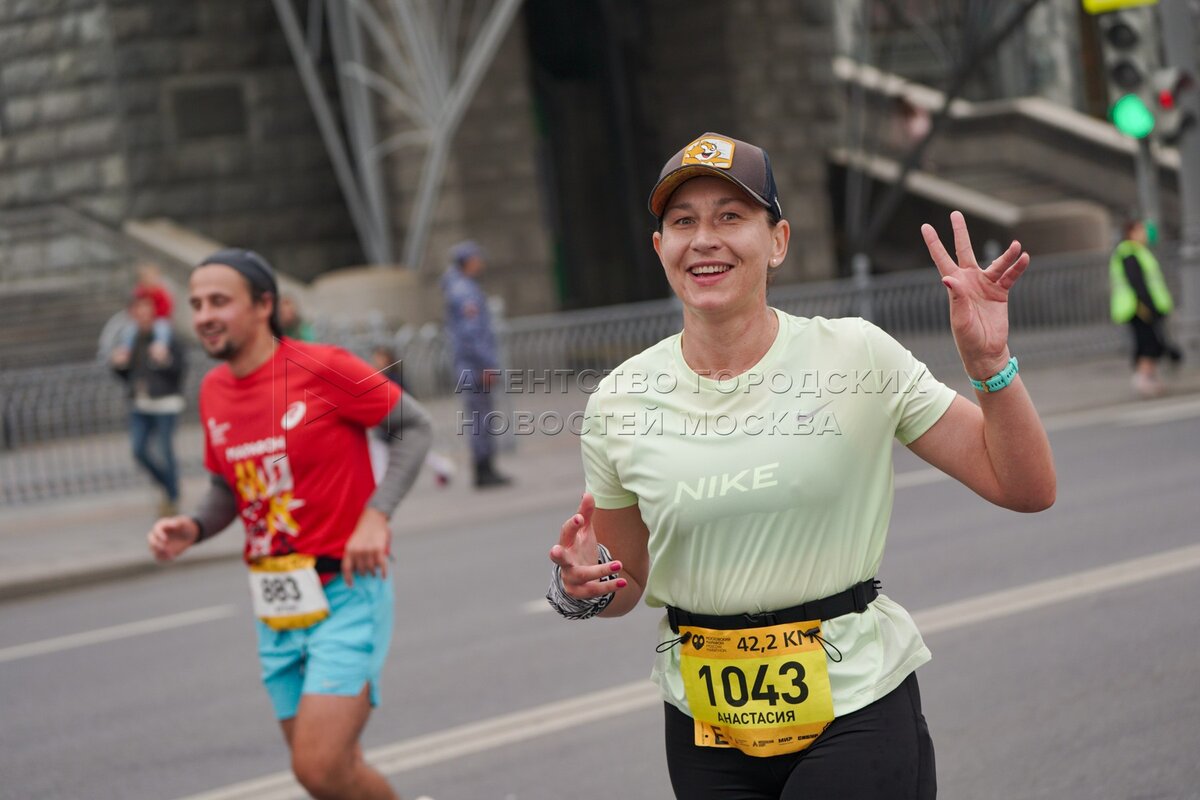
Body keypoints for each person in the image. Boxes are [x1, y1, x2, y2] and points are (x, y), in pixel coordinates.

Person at [545, 133, 1056, 799]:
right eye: (684, 222)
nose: (704, 239)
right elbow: (626, 581)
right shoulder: (620, 400)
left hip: (856, 706)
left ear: (778, 241)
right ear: (660, 248)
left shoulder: (856, 356)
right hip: (707, 730)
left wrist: (990, 366)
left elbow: (1025, 486)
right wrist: (582, 589)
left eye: (731, 216)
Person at [146, 249, 434, 800]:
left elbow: (414, 427)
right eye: (196, 304)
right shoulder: (213, 391)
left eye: (219, 301)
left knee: (317, 768)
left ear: (264, 305)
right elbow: (227, 485)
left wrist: (376, 516)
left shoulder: (322, 368)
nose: (204, 315)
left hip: (345, 589)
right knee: (335, 773)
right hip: (276, 602)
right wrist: (195, 526)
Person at [441, 240, 511, 488]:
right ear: (468, 262)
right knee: (482, 418)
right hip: (474, 367)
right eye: (476, 259)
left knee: (480, 418)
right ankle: (484, 469)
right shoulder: (465, 291)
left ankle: (485, 467)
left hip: (469, 366)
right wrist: (487, 364)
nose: (480, 263)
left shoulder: (458, 287)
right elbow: (473, 335)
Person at [111, 292, 186, 517]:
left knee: (165, 451)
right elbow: (127, 375)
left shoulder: (166, 335)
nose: (143, 314)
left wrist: (165, 360)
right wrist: (119, 365)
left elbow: (179, 369)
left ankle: (171, 497)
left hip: (164, 403)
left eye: (147, 309)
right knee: (139, 450)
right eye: (139, 310)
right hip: (140, 403)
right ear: (132, 313)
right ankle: (168, 485)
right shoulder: (131, 338)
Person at [1110, 218, 1181, 398]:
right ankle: (1143, 379)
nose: (1145, 234)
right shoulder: (1129, 252)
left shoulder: (1138, 251)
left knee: (1152, 341)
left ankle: (1150, 378)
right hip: (1138, 308)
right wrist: (1149, 306)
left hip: (1143, 306)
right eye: (1140, 230)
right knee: (1147, 342)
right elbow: (1137, 283)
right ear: (1131, 233)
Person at [369, 345, 456, 488]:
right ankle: (443, 467)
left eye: (380, 358)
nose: (376, 361)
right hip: (387, 425)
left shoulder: (393, 379)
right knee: (383, 453)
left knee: (413, 452)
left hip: (395, 424)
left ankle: (443, 467)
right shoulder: (381, 377)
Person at [122, 261, 175, 365]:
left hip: (158, 318)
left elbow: (167, 307)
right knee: (130, 329)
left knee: (162, 328)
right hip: (142, 322)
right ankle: (126, 348)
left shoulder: (160, 292)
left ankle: (160, 346)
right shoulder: (140, 291)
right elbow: (132, 304)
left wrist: (153, 314)